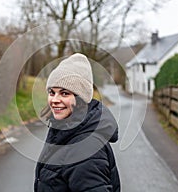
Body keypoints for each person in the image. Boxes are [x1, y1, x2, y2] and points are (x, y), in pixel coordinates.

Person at [34, 53, 120, 192]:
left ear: (81, 99)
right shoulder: (63, 131)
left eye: (64, 93)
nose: (55, 99)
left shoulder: (86, 150)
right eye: (52, 92)